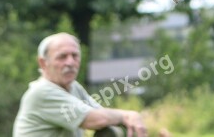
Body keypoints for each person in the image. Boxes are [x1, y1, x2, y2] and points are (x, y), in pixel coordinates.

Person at [13, 32, 147, 137]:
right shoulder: (41, 92)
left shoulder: (74, 87)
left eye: (75, 55)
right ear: (43, 63)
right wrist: (127, 115)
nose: (70, 62)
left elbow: (101, 113)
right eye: (62, 57)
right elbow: (94, 119)